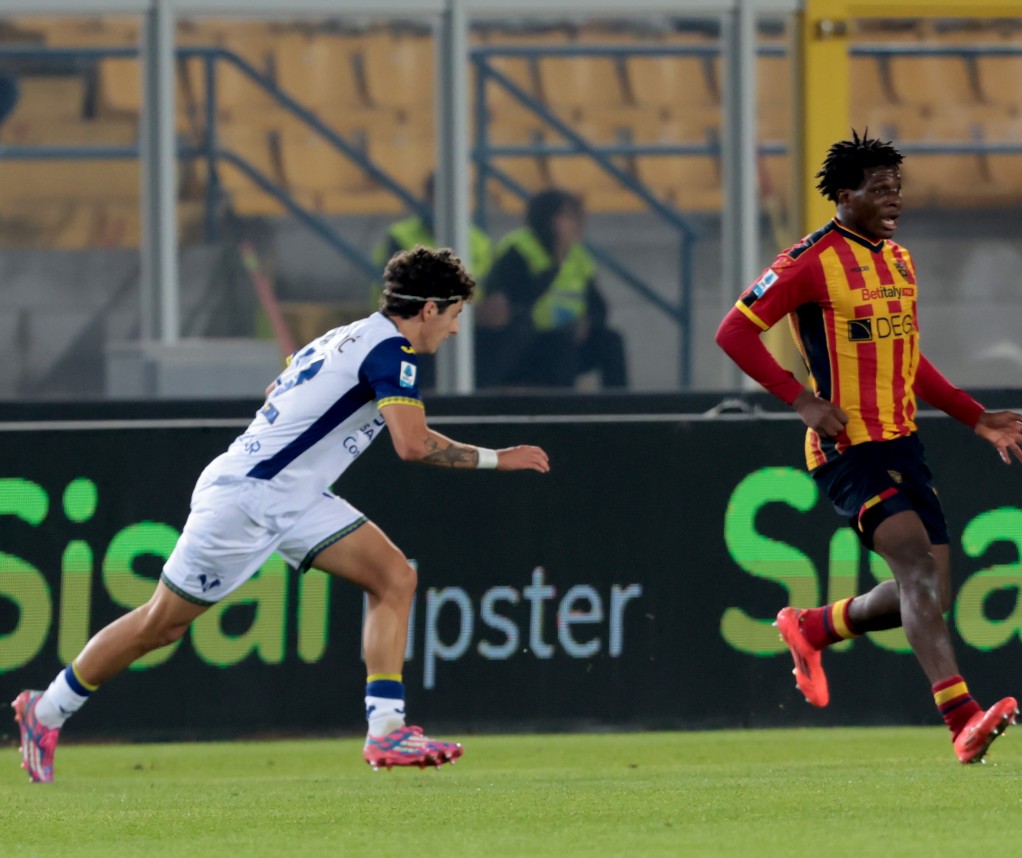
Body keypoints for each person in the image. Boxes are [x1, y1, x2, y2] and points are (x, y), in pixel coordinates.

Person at [13, 247, 550, 784]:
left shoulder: (346, 335)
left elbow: (278, 387)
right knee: (160, 625)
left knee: (394, 577)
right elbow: (411, 446)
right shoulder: (393, 352)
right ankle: (47, 710)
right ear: (430, 308)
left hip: (290, 496)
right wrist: (498, 459)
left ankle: (386, 728)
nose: (456, 330)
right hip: (249, 500)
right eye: (455, 315)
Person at [714, 130, 1022, 765]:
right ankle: (962, 720)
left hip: (904, 442)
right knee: (918, 571)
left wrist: (974, 417)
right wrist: (800, 400)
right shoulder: (807, 261)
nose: (895, 199)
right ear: (845, 194)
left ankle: (814, 627)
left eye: (899, 188)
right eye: (881, 188)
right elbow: (734, 330)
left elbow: (908, 357)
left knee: (928, 590)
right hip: (847, 449)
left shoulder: (898, 259)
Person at [479, 189, 627, 390]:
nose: (578, 224)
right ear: (546, 218)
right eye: (569, 217)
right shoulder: (519, 249)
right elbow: (507, 305)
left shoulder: (578, 256)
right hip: (525, 344)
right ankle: (561, 412)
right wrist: (552, 268)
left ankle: (618, 411)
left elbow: (598, 306)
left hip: (568, 337)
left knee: (611, 341)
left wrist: (589, 322)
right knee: (560, 345)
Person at [369, 173, 494, 389]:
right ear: (426, 198)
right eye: (436, 197)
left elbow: (486, 291)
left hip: (463, 329)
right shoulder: (400, 236)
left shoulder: (479, 242)